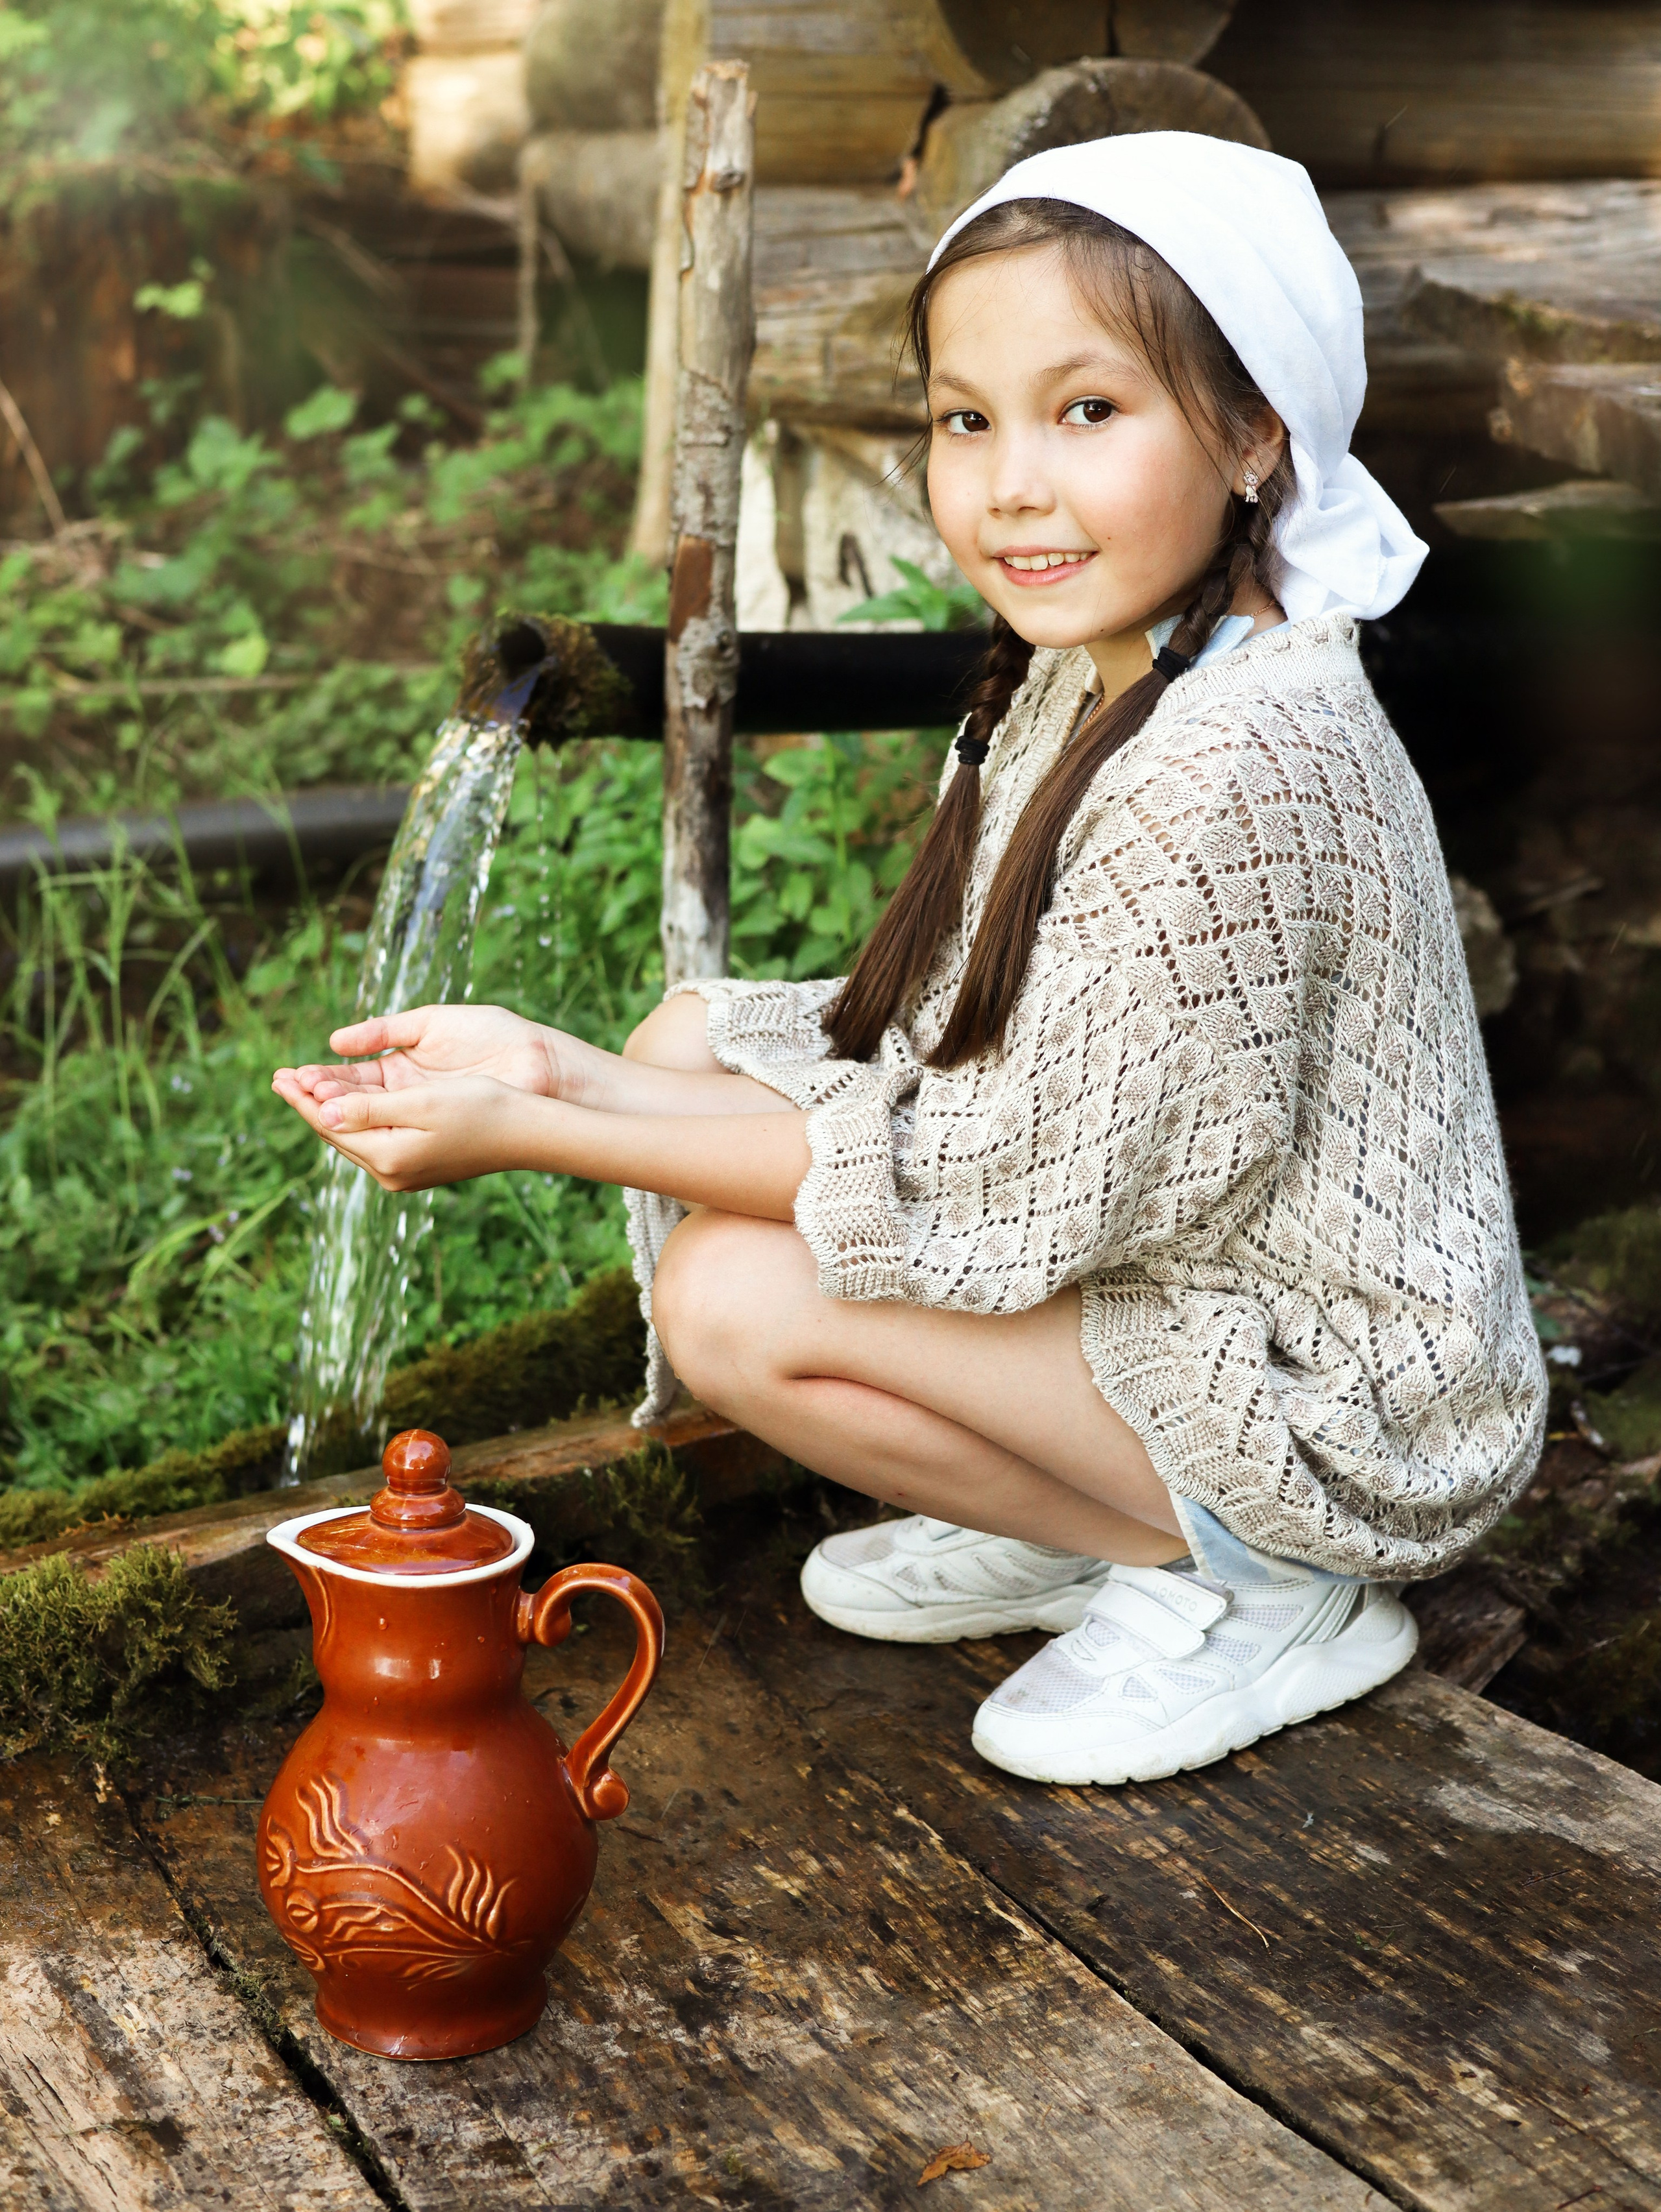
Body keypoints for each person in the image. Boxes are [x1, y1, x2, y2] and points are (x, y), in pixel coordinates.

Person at [273, 132, 1546, 1789]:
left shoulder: (1244, 757)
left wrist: (536, 1129)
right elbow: (957, 1040)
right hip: (1181, 1259)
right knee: (678, 1040)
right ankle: (1095, 1519)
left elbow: (1008, 1161)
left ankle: (1249, 1577)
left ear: (1252, 436)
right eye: (966, 418)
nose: (1010, 480)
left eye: (1086, 411)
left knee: (730, 1295)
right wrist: (569, 1066)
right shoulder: (1095, 679)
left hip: (1341, 1406)